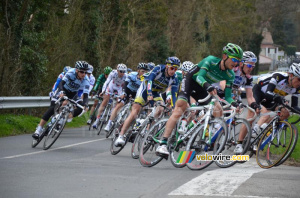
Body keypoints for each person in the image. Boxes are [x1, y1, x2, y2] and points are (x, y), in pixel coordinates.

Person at [156, 43, 243, 155]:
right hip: (190, 81)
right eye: (235, 59)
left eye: (239, 61)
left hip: (203, 87)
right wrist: (208, 86)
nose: (236, 63)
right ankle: (163, 144)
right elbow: (199, 76)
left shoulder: (230, 75)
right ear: (225, 56)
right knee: (180, 107)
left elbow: (228, 97)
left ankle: (200, 129)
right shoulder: (211, 60)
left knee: (218, 110)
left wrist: (235, 104)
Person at [114, 57, 180, 146]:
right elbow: (150, 80)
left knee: (160, 109)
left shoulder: (175, 78)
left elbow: (174, 94)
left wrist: (174, 106)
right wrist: (149, 94)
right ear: (167, 66)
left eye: (175, 69)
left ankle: (148, 131)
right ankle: (121, 135)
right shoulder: (159, 69)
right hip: (146, 88)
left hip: (157, 92)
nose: (173, 71)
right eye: (172, 68)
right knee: (135, 111)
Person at [32, 61, 90, 139]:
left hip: (73, 94)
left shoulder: (86, 80)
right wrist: (62, 92)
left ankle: (62, 118)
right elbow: (61, 83)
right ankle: (38, 130)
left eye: (85, 72)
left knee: (80, 108)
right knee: (52, 108)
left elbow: (86, 95)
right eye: (82, 72)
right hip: (63, 89)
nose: (84, 74)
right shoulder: (70, 72)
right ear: (76, 70)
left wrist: (85, 104)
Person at [250, 62, 300, 149]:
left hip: (273, 97)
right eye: (299, 79)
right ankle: (252, 133)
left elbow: (294, 106)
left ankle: (263, 131)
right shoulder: (279, 77)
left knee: (285, 113)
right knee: (265, 113)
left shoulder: (297, 89)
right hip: (260, 91)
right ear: (291, 75)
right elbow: (269, 92)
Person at [104, 63, 150, 132]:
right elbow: (125, 84)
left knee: (135, 110)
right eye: (143, 71)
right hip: (127, 90)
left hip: (136, 93)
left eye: (146, 72)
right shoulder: (132, 75)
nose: (145, 73)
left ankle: (125, 125)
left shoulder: (146, 79)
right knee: (119, 105)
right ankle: (109, 124)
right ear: (138, 71)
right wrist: (123, 92)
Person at [92, 64, 127, 128]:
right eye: (121, 71)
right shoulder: (113, 73)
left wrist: (122, 94)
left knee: (117, 103)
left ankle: (110, 122)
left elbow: (125, 86)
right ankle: (97, 120)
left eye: (124, 72)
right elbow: (106, 82)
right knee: (105, 101)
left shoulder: (126, 76)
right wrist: (103, 91)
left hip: (119, 88)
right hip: (111, 86)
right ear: (117, 70)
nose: (122, 73)